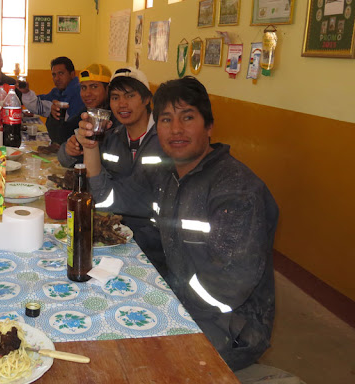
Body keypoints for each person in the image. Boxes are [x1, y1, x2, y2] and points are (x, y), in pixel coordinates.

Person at [152, 76, 278, 372]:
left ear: (209, 126)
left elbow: (226, 287)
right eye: (166, 119)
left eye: (188, 117)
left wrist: (165, 306)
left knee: (146, 359)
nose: (176, 130)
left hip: (233, 326)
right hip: (186, 303)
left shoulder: (237, 190)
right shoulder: (172, 175)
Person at [76, 67, 165, 270]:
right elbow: (98, 192)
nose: (122, 104)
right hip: (117, 235)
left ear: (146, 99)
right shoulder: (113, 137)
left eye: (130, 96)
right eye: (115, 97)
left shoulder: (165, 139)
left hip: (154, 245)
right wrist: (90, 144)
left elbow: (109, 197)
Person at [57, 63, 112, 168]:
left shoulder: (117, 118)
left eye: (94, 87)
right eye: (83, 88)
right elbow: (62, 139)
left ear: (108, 90)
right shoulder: (86, 114)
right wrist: (69, 149)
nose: (87, 93)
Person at [20, 57, 83, 144]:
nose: (57, 78)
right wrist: (26, 92)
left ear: (72, 74)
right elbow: (39, 105)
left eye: (61, 73)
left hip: (74, 145)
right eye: (54, 75)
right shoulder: (57, 92)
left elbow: (70, 128)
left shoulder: (80, 93)